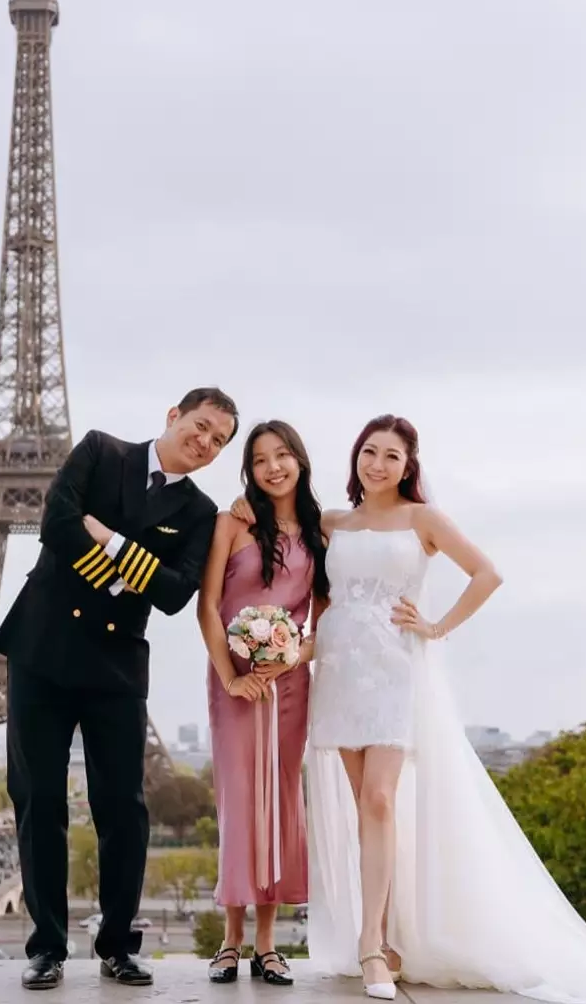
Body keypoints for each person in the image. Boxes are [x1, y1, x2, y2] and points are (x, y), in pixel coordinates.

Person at [304, 415, 586, 1003]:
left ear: (408, 465)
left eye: (391, 456)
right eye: (369, 451)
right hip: (340, 669)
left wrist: (435, 627)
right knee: (363, 807)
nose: (377, 464)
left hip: (394, 668)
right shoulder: (333, 522)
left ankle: (370, 943)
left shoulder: (423, 518)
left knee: (380, 799)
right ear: (355, 456)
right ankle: (383, 940)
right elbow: (302, 567)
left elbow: (486, 573)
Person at [0, 388, 239, 991]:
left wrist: (111, 541)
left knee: (124, 810)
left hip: (115, 667)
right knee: (38, 801)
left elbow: (176, 594)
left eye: (218, 441)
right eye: (201, 426)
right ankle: (47, 947)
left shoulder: (201, 512)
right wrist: (129, 576)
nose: (204, 443)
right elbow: (56, 523)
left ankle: (118, 944)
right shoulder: (101, 451)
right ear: (174, 415)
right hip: (41, 651)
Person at [198, 422, 327, 987]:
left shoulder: (320, 535)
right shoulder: (232, 523)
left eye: (281, 455)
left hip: (287, 686)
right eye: (259, 459)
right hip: (234, 684)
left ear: (299, 460)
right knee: (238, 801)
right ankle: (230, 940)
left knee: (279, 801)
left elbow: (322, 625)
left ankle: (267, 945)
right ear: (248, 470)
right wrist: (231, 678)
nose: (272, 467)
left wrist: (292, 656)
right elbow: (207, 606)